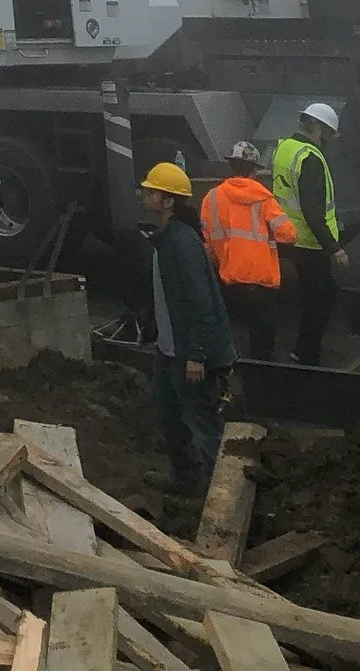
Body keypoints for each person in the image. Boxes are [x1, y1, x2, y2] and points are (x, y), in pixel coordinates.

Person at [139, 159, 236, 497]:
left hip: (194, 355)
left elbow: (203, 305)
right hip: (170, 351)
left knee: (204, 424)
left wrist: (197, 355)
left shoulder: (182, 243)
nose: (144, 195)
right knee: (171, 417)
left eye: (151, 192)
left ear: (168, 201)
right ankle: (187, 482)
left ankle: (217, 497)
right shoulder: (164, 239)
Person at [201, 141, 296, 362]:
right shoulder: (264, 199)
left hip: (227, 279)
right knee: (262, 342)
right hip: (261, 283)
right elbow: (289, 235)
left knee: (230, 335)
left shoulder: (211, 198)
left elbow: (207, 240)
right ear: (255, 170)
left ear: (231, 166)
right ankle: (258, 375)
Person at [273, 102, 347, 368]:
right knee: (322, 296)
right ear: (318, 127)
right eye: (328, 134)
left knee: (314, 294)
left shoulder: (285, 148)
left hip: (288, 236)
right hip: (309, 243)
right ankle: (306, 354)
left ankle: (301, 350)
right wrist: (334, 248)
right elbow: (312, 210)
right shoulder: (311, 158)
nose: (328, 140)